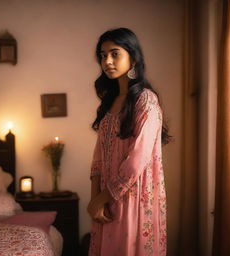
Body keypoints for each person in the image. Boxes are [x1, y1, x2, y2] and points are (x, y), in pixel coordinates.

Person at [87, 27, 171, 256]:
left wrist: (103, 198)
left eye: (115, 54)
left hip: (133, 199)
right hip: (106, 200)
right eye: (103, 55)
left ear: (133, 58)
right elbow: (98, 157)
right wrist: (95, 200)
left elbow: (137, 160)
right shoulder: (109, 102)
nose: (107, 61)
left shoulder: (146, 101)